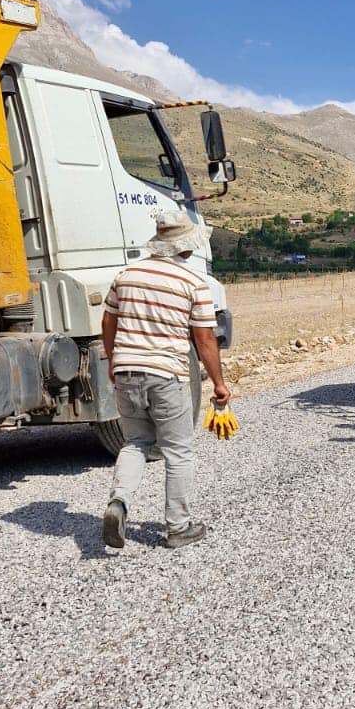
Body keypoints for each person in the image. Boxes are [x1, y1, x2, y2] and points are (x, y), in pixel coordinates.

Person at [100, 213, 230, 551]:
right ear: (185, 248)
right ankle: (178, 527)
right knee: (177, 451)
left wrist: (114, 361)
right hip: (167, 375)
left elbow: (108, 321)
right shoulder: (193, 283)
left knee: (136, 443)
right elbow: (204, 339)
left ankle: (119, 502)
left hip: (127, 372)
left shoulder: (126, 275)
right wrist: (219, 384)